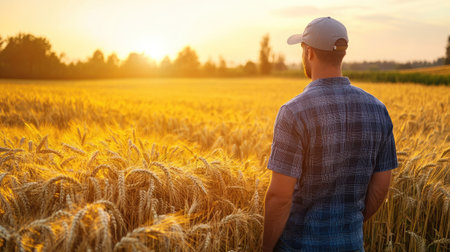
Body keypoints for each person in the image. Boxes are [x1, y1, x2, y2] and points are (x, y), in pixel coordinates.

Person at [262, 17, 398, 252]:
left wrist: (264, 249)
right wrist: (346, 225)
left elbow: (279, 197)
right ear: (341, 54)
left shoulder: (293, 112)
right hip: (352, 244)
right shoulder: (378, 109)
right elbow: (382, 185)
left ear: (309, 53)